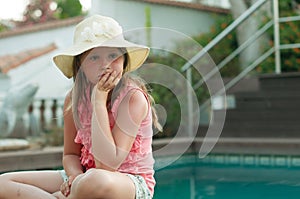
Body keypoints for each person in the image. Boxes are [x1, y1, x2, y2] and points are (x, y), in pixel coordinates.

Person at [0, 14, 161, 199]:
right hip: (84, 176)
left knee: (96, 180)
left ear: (124, 60)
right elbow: (70, 154)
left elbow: (107, 166)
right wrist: (75, 177)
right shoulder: (74, 99)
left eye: (113, 55)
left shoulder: (132, 98)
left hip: (126, 182)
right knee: (4, 183)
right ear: (80, 64)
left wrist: (99, 100)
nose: (105, 65)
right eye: (94, 57)